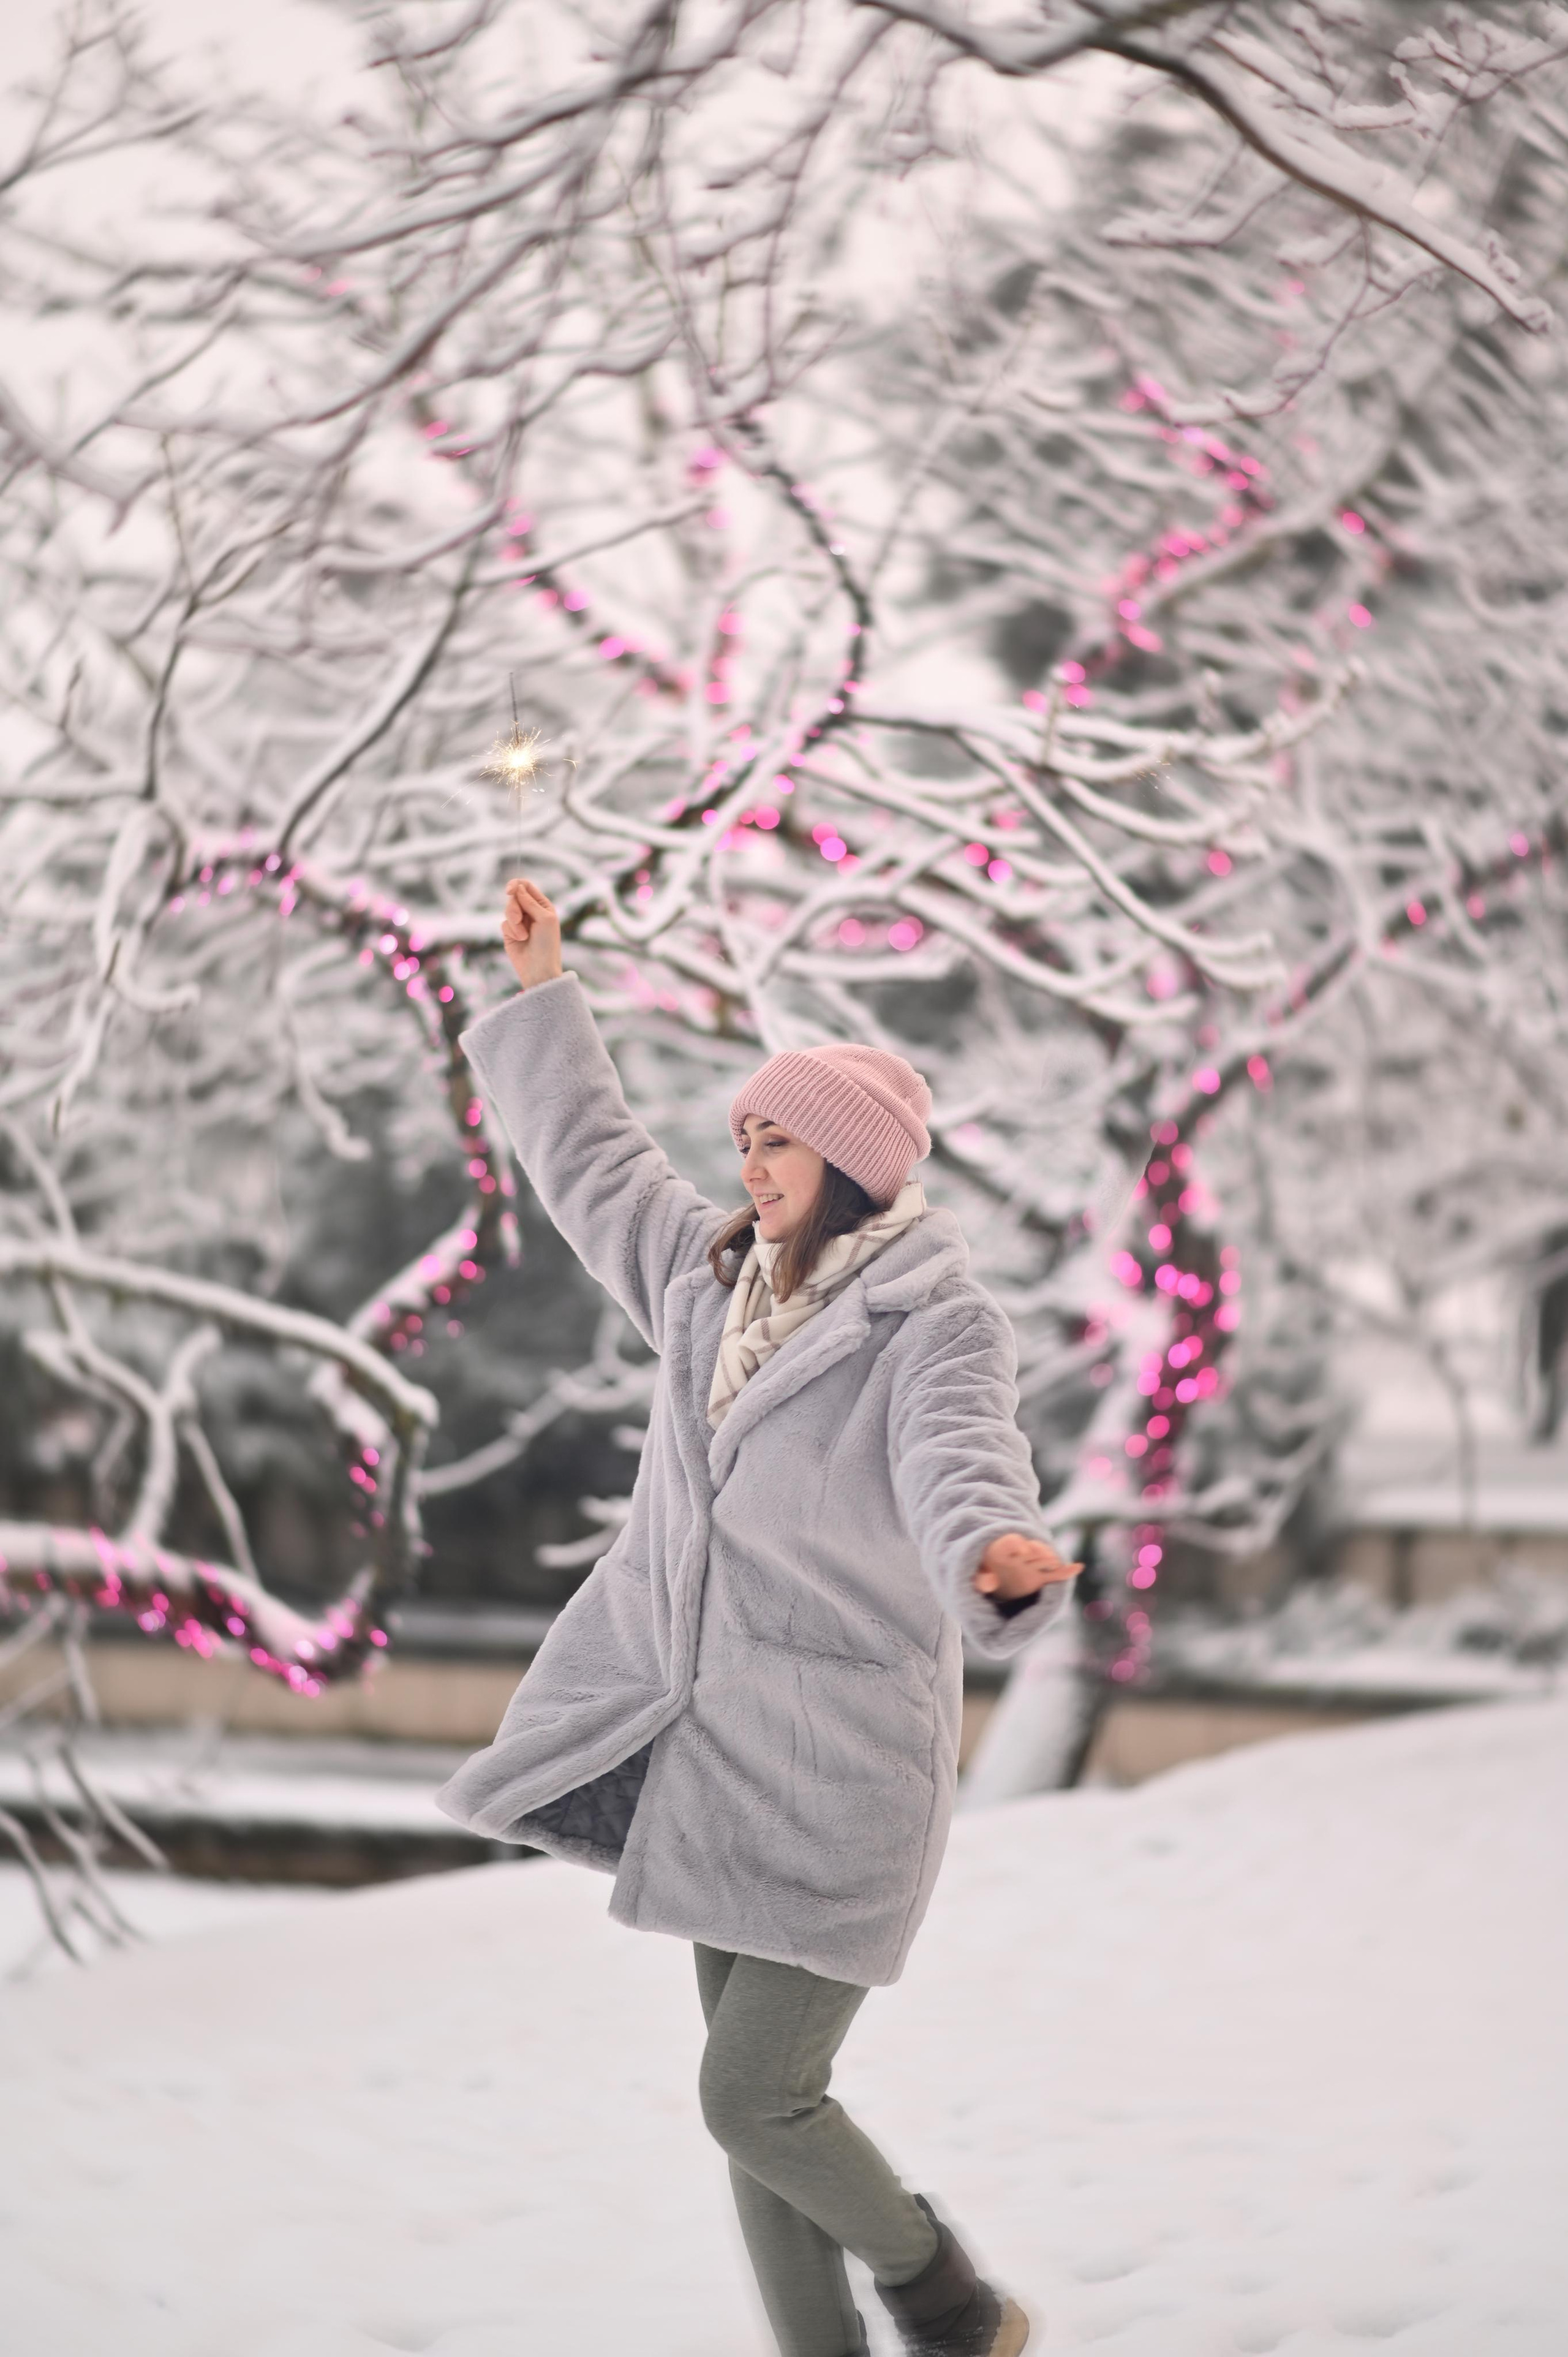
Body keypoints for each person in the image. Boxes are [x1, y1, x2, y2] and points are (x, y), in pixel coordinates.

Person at [438, 877, 1081, 2357]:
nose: (747, 1152)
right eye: (741, 1131)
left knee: (754, 2095)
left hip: (843, 1764)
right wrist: (542, 988)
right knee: (760, 2123)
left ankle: (951, 2303)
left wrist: (987, 1545)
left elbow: (958, 1452)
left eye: (775, 1132)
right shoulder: (703, 1279)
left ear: (850, 1163)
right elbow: (592, 1157)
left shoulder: (932, 1320)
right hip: (715, 1750)